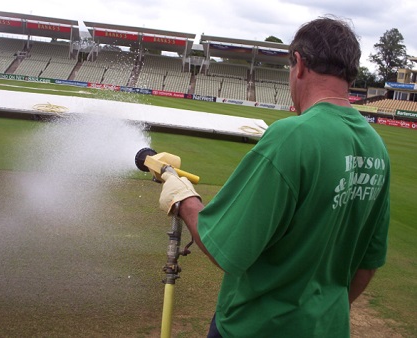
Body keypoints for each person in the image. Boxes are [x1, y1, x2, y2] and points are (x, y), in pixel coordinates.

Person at [157, 16, 391, 337]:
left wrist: (182, 197)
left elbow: (224, 247)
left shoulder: (292, 136)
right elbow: (368, 263)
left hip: (256, 328)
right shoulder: (376, 147)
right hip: (326, 328)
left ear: (299, 63)